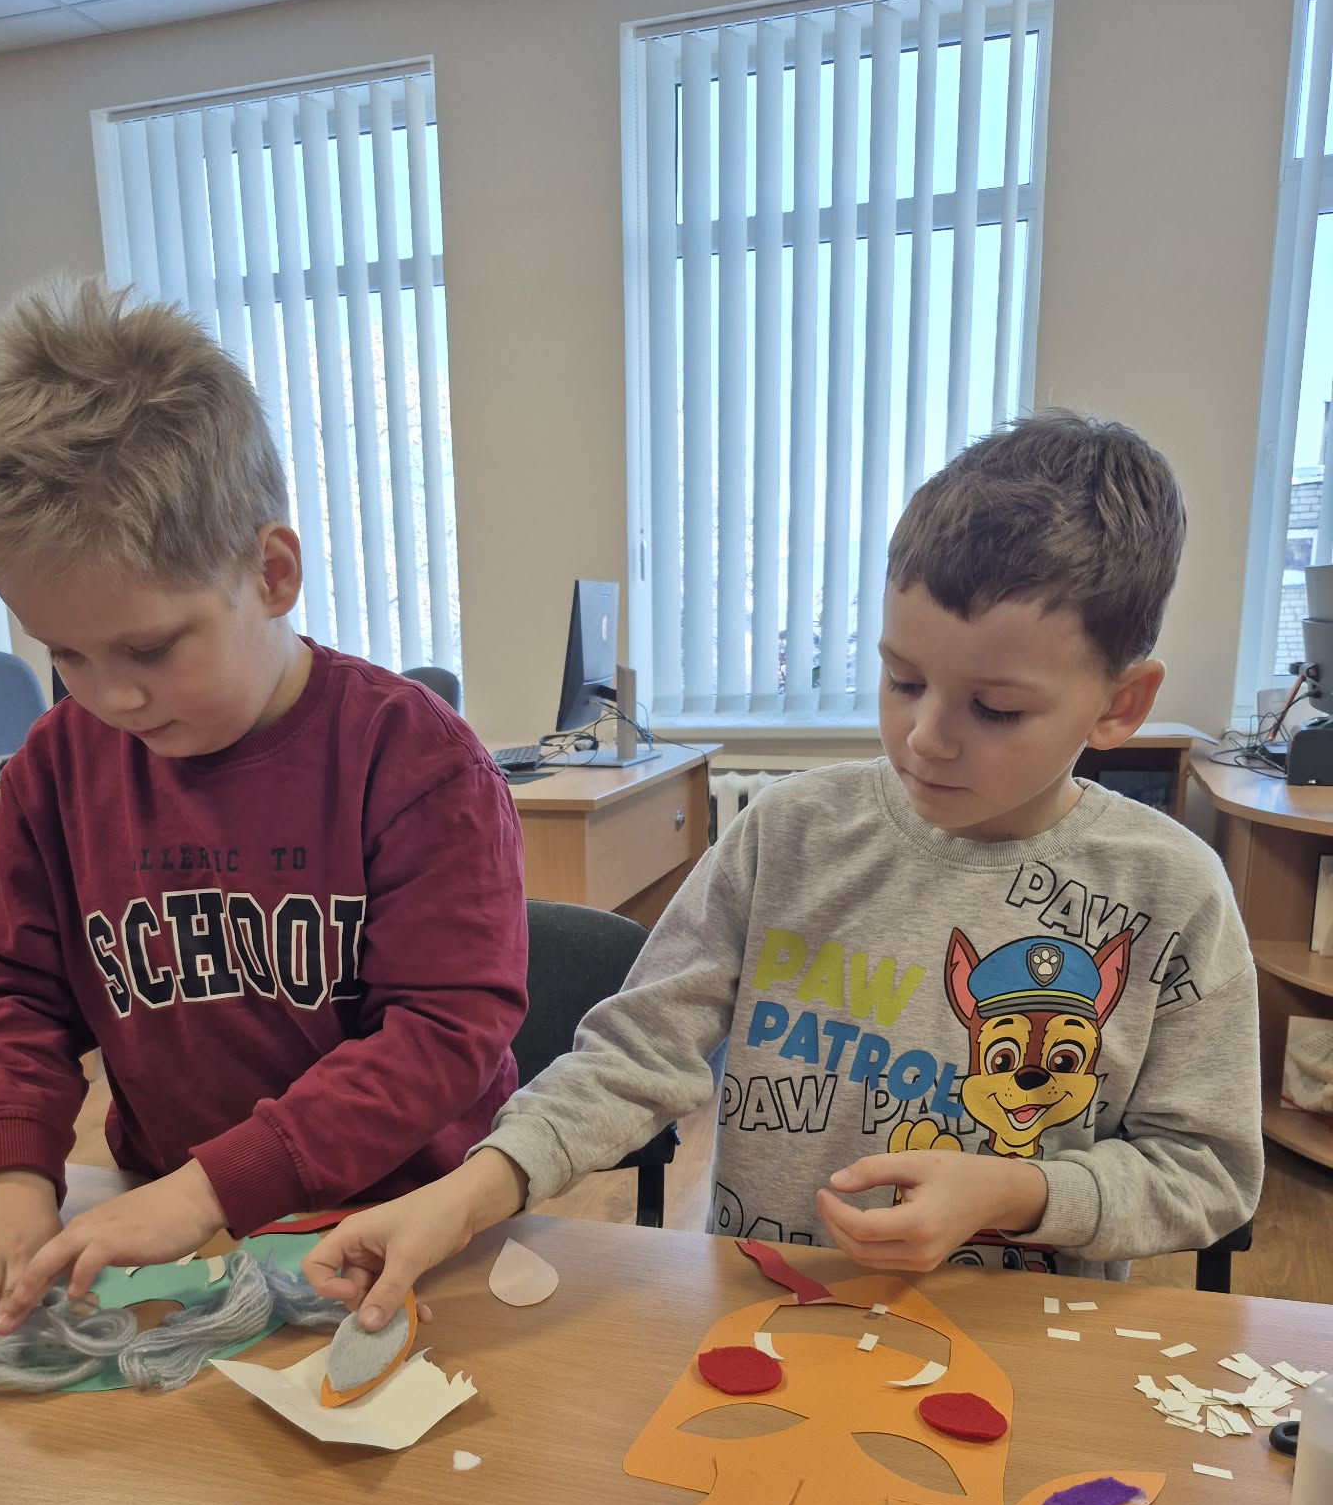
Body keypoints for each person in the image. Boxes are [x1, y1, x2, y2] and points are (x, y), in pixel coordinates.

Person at [303, 412, 1263, 1330]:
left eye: (996, 709)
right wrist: (472, 1191)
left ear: (1120, 704)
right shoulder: (790, 835)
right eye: (903, 681)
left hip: (1025, 1347)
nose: (925, 738)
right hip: (773, 1321)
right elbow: (635, 1055)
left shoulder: (1170, 894)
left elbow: (1209, 1173)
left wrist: (1020, 1193)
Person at [0, 279, 527, 1336]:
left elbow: (442, 1031)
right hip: (171, 1242)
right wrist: (7, 1172)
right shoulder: (58, 765)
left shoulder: (415, 759)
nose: (111, 697)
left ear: (271, 572)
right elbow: (7, 987)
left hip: (402, 1237)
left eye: (148, 648)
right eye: (65, 655)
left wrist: (208, 1189)